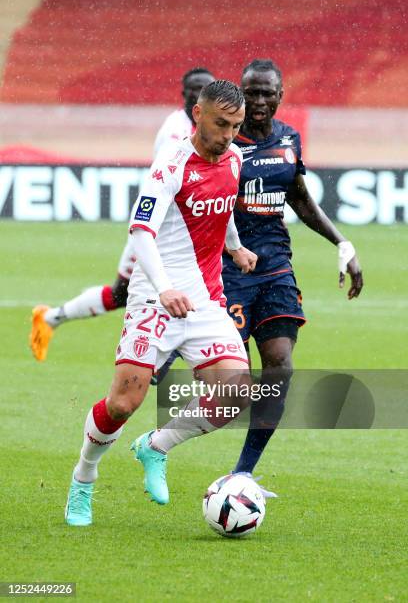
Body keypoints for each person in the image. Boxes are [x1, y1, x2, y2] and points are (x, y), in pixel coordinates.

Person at [65, 79, 258, 526]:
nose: (229, 134)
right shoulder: (169, 166)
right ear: (197, 115)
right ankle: (84, 479)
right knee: (122, 404)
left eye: (236, 125)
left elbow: (224, 206)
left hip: (206, 299)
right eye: (221, 123)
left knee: (237, 390)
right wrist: (166, 287)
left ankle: (157, 446)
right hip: (155, 298)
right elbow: (141, 234)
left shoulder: (234, 159)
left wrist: (234, 245)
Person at [222, 59, 363, 486]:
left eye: (267, 92)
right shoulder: (226, 142)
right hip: (228, 270)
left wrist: (343, 243)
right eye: (252, 91)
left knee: (280, 367)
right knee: (233, 387)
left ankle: (243, 473)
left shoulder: (288, 138)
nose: (259, 100)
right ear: (239, 92)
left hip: (276, 268)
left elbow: (300, 199)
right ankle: (160, 442)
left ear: (281, 95)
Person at [29, 68, 215, 362]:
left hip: (186, 227)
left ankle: (51, 318)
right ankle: (155, 356)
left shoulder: (209, 128)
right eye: (193, 90)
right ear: (185, 96)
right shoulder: (176, 131)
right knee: (130, 293)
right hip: (158, 227)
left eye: (205, 90)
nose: (199, 95)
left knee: (134, 293)